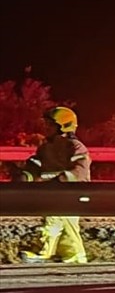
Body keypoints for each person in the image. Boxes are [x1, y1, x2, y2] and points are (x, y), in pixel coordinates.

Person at [18, 106, 92, 264]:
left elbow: (79, 172)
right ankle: (75, 257)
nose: (46, 128)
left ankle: (44, 252)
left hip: (73, 193)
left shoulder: (75, 147)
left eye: (50, 125)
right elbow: (35, 164)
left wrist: (55, 181)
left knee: (54, 216)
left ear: (63, 126)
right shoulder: (46, 147)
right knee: (67, 226)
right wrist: (26, 175)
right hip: (55, 192)